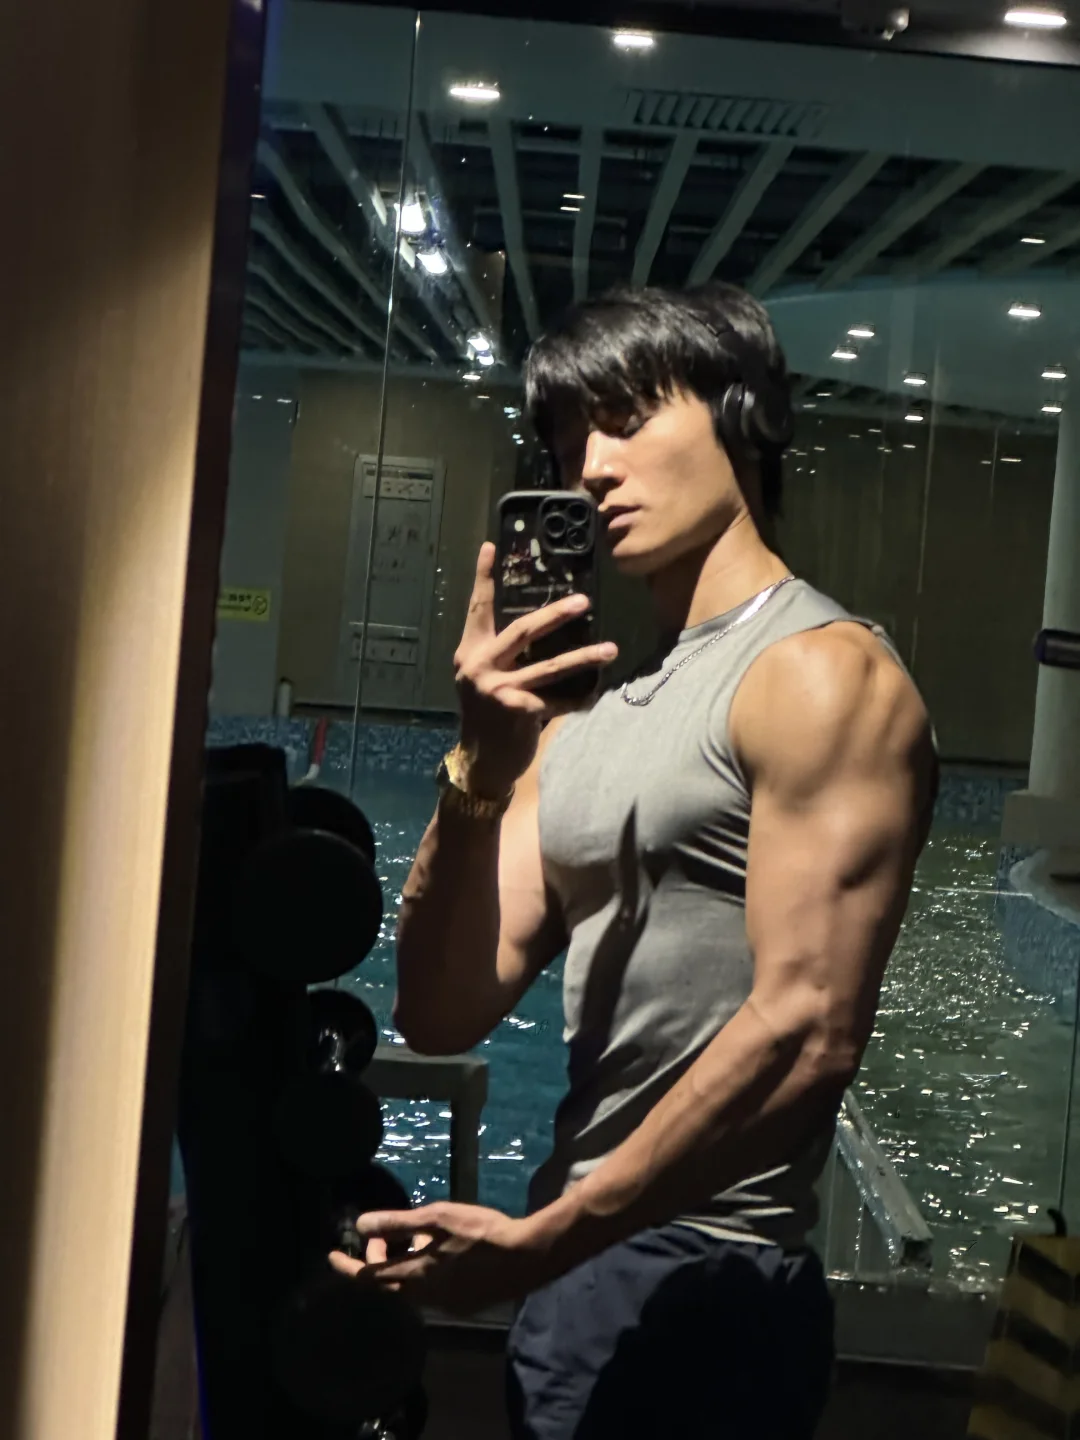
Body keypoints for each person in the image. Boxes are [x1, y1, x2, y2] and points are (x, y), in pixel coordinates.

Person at [331, 283, 938, 1438]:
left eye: (625, 420)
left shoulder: (820, 673)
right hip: (580, 1271)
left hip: (712, 1274)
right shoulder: (590, 723)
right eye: (569, 441)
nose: (592, 468)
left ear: (743, 415)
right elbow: (441, 1008)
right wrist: (480, 761)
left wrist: (542, 1242)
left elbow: (807, 1029)